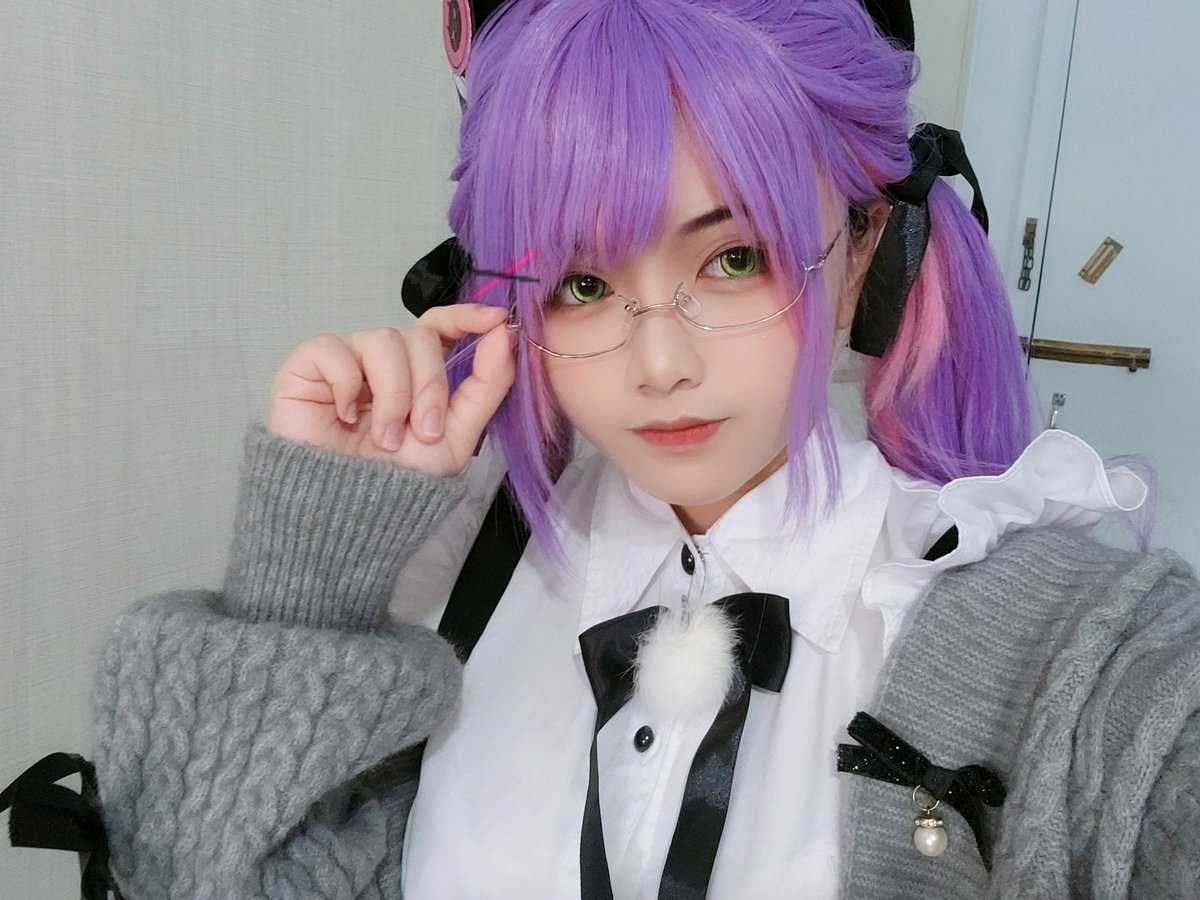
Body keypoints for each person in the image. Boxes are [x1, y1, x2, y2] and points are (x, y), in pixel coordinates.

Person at [83, 0, 1199, 897]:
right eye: (581, 282)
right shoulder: (458, 583)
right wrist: (310, 581)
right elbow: (191, 871)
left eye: (734, 259)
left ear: (865, 243)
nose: (658, 363)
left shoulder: (1073, 653)